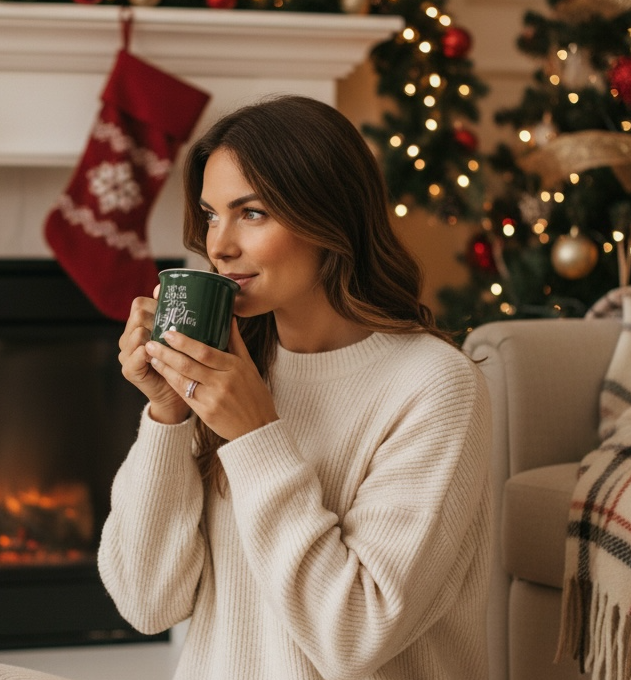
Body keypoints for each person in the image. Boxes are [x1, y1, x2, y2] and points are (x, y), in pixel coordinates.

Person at [98, 94, 492, 680]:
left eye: (251, 213)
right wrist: (167, 414)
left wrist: (255, 434)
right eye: (210, 214)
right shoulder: (235, 371)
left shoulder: (433, 386)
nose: (219, 245)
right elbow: (147, 603)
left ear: (328, 219)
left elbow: (352, 638)